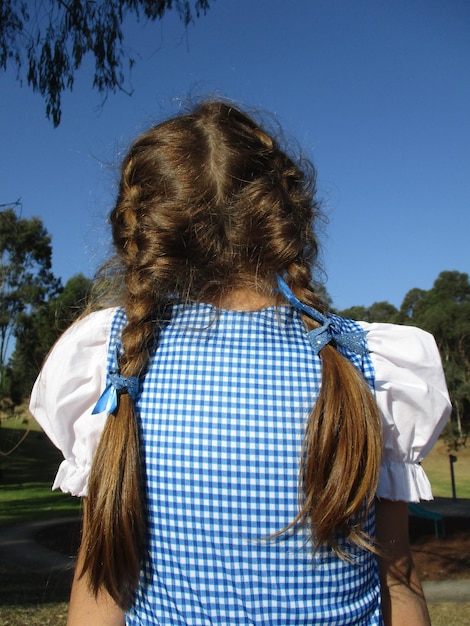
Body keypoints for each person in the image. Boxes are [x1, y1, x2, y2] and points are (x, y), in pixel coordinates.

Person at [30, 100, 451, 626]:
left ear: (146, 231)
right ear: (287, 219)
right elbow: (399, 585)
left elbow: (100, 592)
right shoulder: (371, 365)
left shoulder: (114, 366)